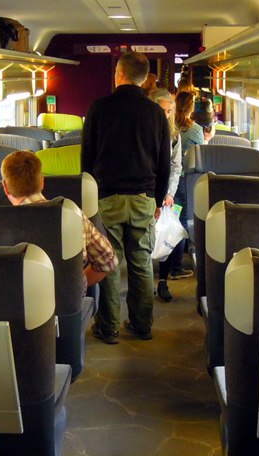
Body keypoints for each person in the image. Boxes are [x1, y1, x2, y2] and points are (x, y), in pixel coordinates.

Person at [81, 51, 171, 344]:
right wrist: (157, 201)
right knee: (141, 263)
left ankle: (108, 328)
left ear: (119, 74)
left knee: (109, 262)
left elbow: (87, 159)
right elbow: (164, 164)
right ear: (143, 79)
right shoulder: (156, 113)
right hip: (144, 197)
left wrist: (88, 201)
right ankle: (142, 325)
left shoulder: (99, 108)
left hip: (106, 199)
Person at [0, 150, 117, 294]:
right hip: (68, 304)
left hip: (16, 305)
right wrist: (75, 286)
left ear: (5, 187)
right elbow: (109, 262)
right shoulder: (73, 216)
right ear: (42, 181)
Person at [149, 89, 186, 303]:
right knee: (145, 237)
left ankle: (163, 280)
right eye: (162, 110)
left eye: (169, 111)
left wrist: (169, 193)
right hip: (147, 190)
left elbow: (176, 166)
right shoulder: (143, 132)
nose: (166, 114)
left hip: (168, 193)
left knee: (168, 234)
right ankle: (146, 281)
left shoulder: (174, 136)